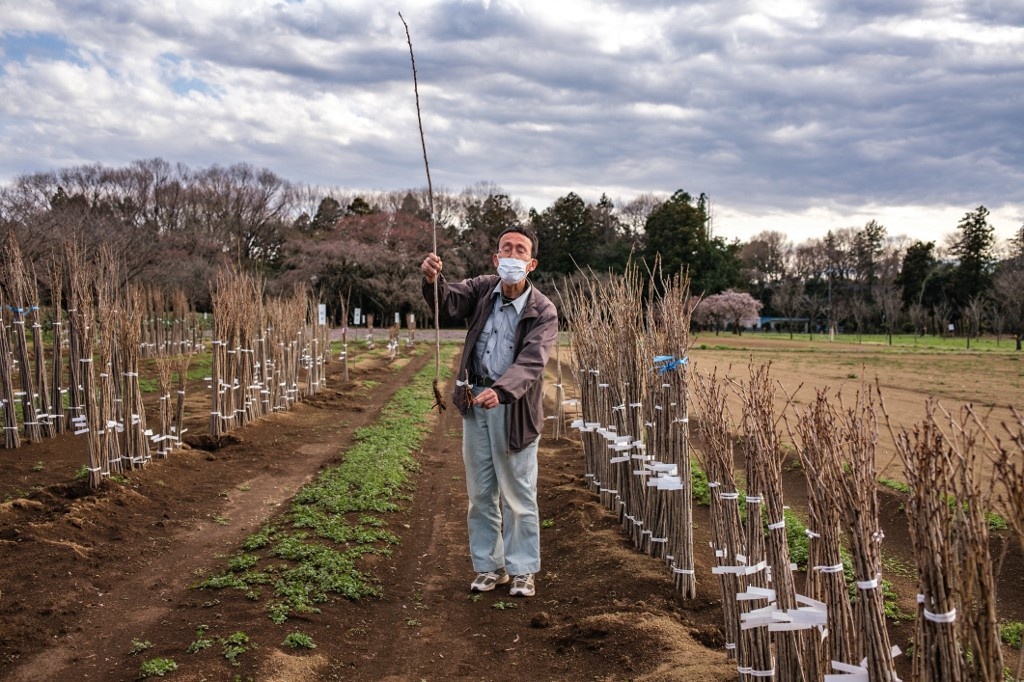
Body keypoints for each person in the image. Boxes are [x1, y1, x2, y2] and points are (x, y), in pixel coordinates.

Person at [420, 225, 558, 597]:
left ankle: (523, 570)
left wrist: (502, 390)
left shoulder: (542, 310)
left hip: (513, 409)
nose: (512, 256)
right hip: (474, 401)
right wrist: (434, 279)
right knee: (481, 492)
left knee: (517, 492)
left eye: (520, 250)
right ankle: (489, 566)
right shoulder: (482, 289)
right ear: (496, 259)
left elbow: (532, 362)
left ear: (531, 263)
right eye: (506, 249)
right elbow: (448, 301)